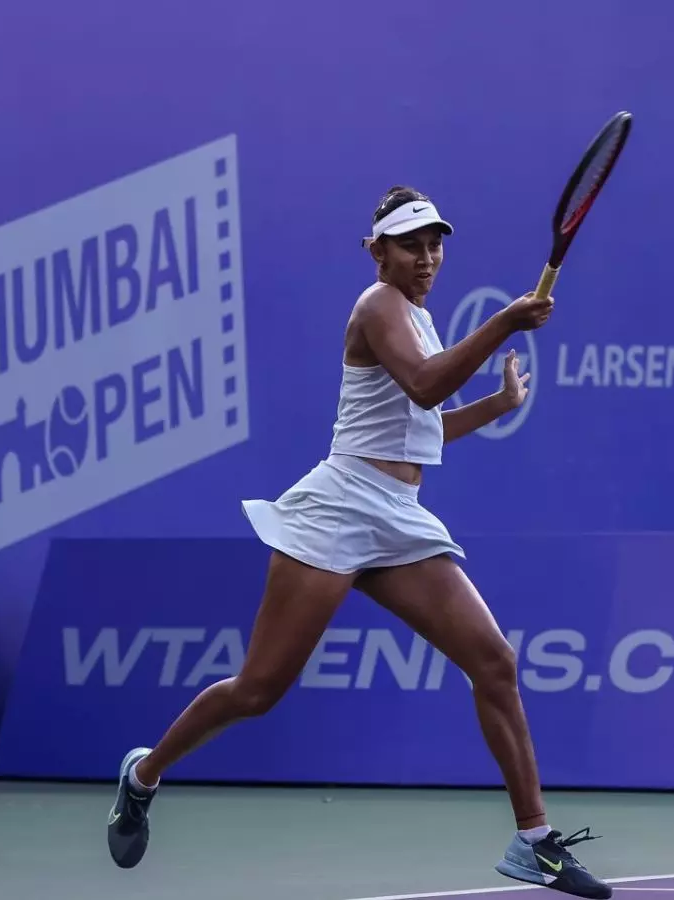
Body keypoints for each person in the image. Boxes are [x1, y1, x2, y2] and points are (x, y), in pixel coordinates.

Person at [106, 186, 612, 899]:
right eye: (410, 246)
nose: (426, 258)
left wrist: (498, 404)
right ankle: (144, 774)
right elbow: (426, 387)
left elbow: (422, 429)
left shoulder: (421, 320)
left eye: (434, 245)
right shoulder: (377, 306)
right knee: (257, 690)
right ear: (377, 252)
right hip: (337, 509)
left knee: (494, 661)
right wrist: (505, 320)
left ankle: (534, 843)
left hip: (398, 515)